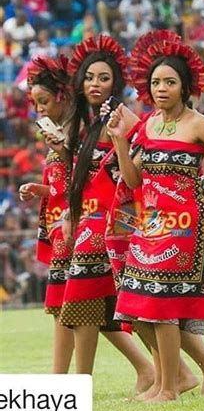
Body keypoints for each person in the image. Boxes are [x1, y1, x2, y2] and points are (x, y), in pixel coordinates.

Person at [107, 30, 204, 402]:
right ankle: (168, 382)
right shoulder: (149, 126)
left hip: (184, 227)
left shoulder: (200, 124)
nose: (161, 89)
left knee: (162, 304)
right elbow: (132, 179)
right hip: (150, 224)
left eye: (170, 82)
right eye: (156, 82)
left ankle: (168, 388)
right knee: (136, 302)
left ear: (184, 86)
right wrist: (120, 141)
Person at [59, 35, 154, 391]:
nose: (95, 84)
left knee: (84, 299)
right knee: (113, 304)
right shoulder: (86, 124)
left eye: (103, 78)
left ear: (117, 82)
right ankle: (155, 370)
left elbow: (140, 170)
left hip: (114, 221)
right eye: (89, 77)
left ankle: (80, 384)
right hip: (92, 220)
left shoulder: (124, 117)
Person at [18, 55, 74, 373]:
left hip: (74, 225)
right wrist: (38, 190)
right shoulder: (55, 135)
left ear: (62, 96)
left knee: (66, 304)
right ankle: (149, 369)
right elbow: (59, 185)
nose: (39, 109)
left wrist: (64, 148)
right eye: (35, 103)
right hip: (57, 226)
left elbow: (84, 177)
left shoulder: (72, 133)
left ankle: (58, 380)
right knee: (81, 309)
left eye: (44, 101)